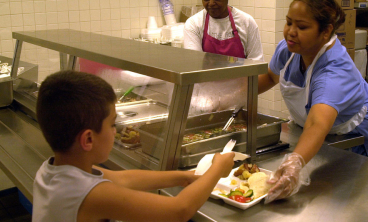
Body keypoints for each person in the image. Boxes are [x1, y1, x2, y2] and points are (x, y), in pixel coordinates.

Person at [32, 70, 235, 222]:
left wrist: (185, 176)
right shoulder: (90, 194)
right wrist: (216, 170)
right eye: (112, 124)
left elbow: (124, 178)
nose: (115, 131)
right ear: (88, 140)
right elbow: (178, 210)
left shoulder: (52, 171)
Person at [258, 0, 368, 203]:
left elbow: (317, 124)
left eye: (302, 26)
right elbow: (270, 77)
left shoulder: (334, 71)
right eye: (289, 23)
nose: (290, 32)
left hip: (350, 130)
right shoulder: (289, 49)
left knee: (343, 194)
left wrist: (295, 162)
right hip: (312, 123)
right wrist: (230, 96)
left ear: (326, 31)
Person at [184, 0, 263, 61]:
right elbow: (195, 63)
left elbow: (256, 64)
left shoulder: (247, 22)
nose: (211, 3)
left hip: (241, 75)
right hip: (207, 75)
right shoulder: (194, 24)